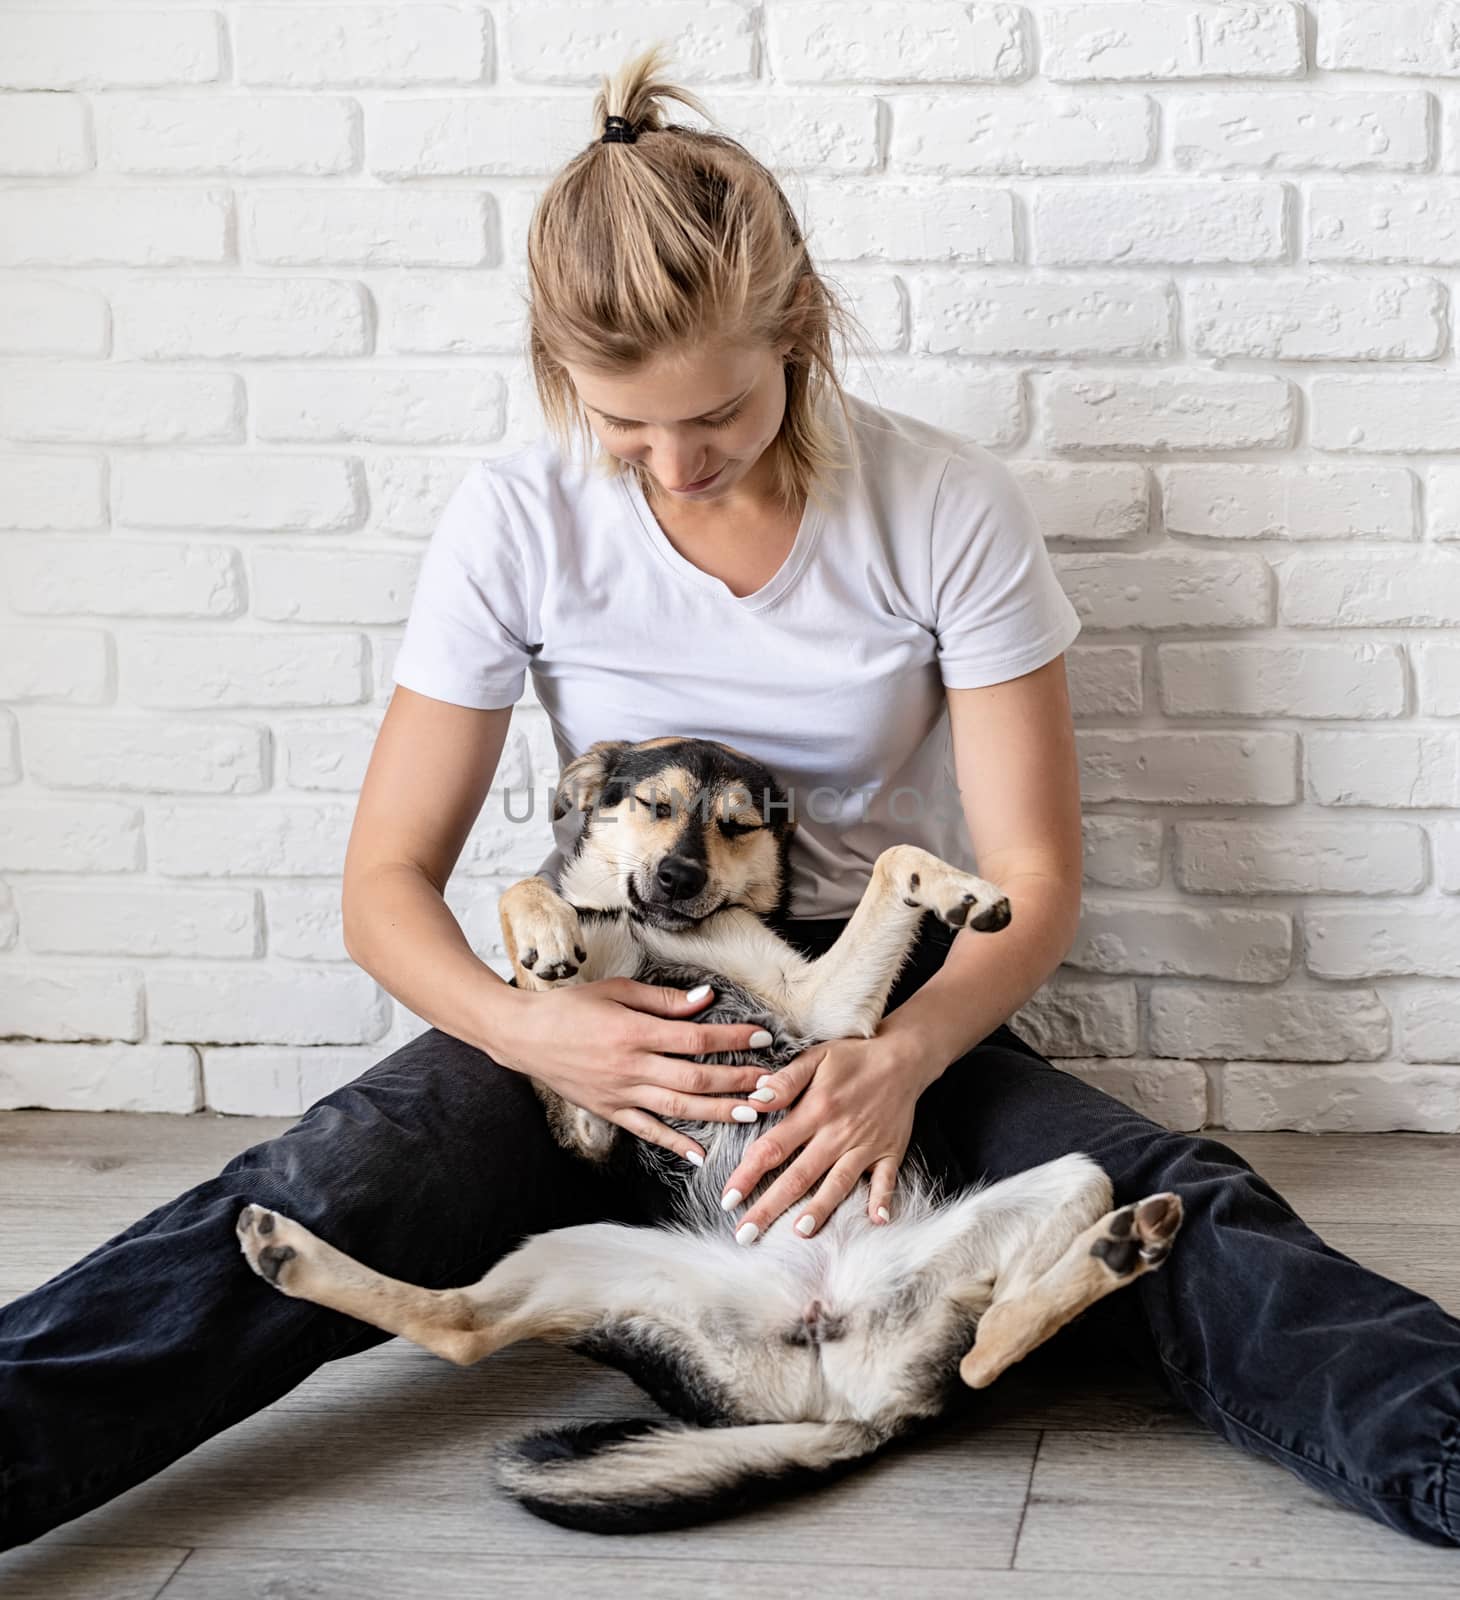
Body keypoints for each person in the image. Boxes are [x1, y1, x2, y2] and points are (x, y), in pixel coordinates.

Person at [3, 44, 1459, 1555]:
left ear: (798, 334)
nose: (674, 463)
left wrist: (898, 1059)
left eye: (717, 415)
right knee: (331, 1182)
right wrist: (530, 1027)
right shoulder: (518, 515)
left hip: (864, 999)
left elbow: (1033, 871)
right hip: (610, 1000)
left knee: (1181, 1204)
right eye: (624, 425)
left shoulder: (942, 507)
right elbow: (386, 878)